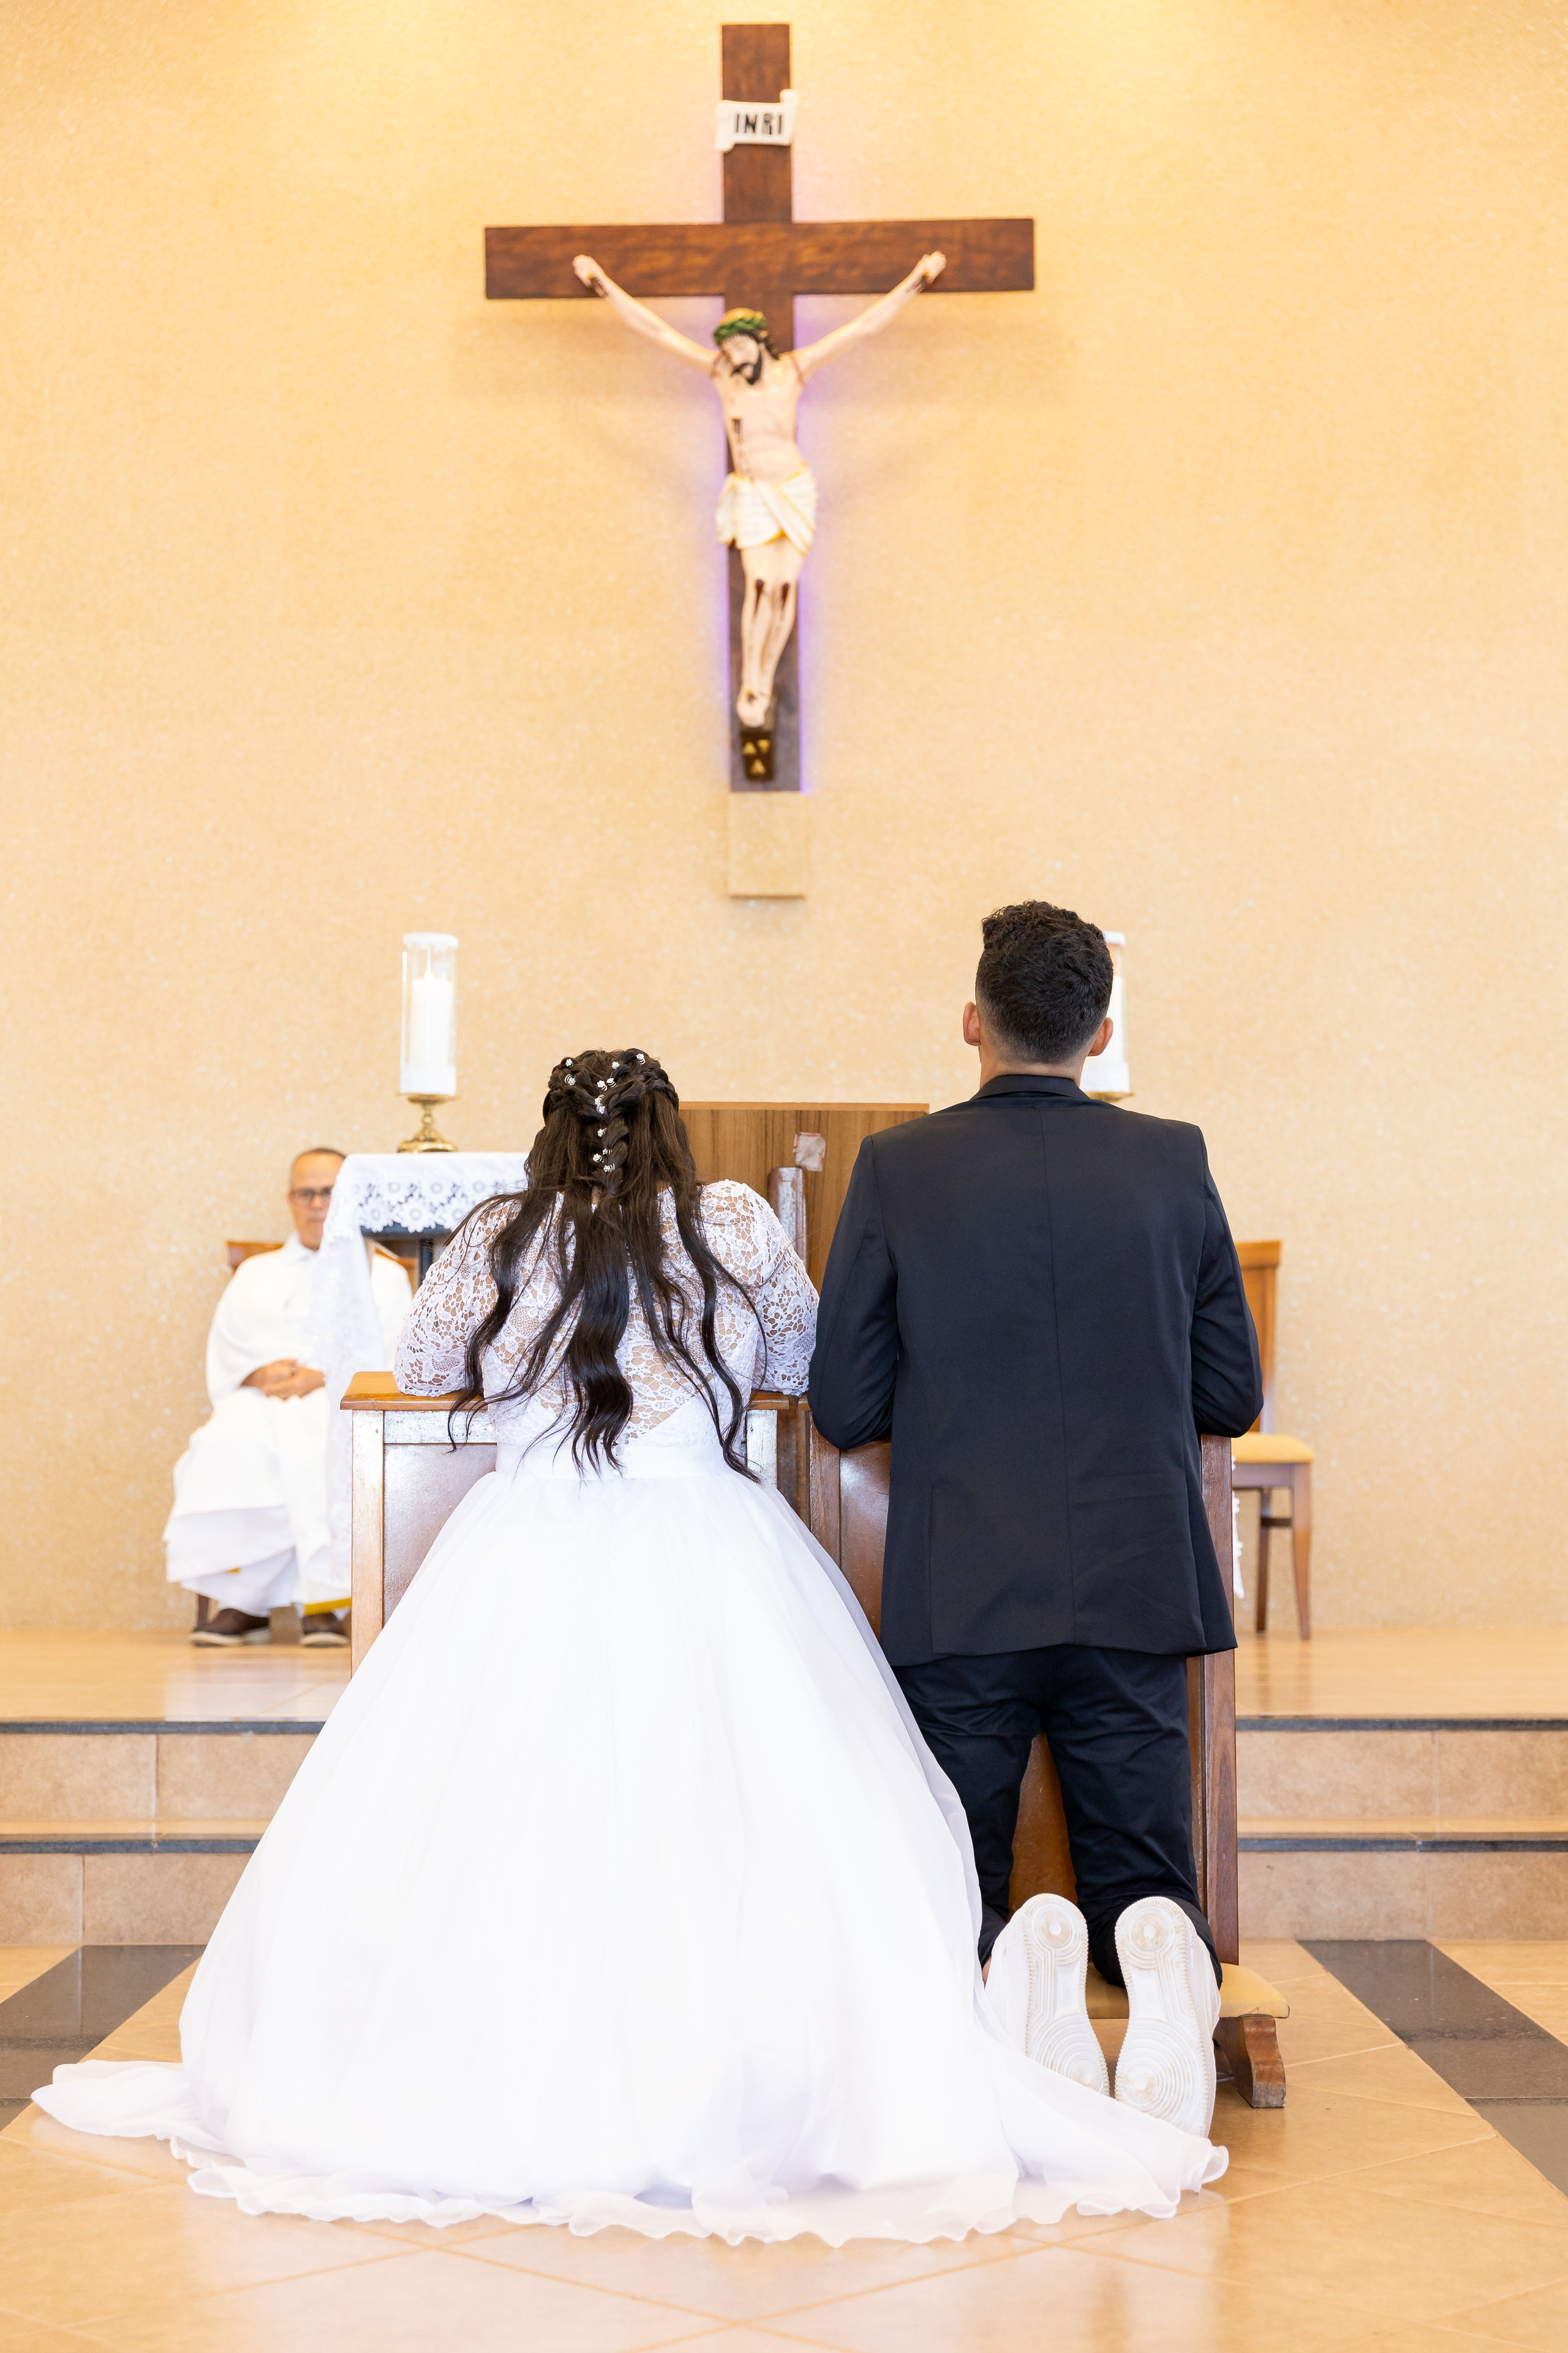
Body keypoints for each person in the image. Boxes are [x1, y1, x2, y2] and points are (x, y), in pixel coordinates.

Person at [36, 1049, 1223, 2242]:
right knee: (730, 1813)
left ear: (548, 1132)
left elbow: (422, 1367)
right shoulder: (730, 1224)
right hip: (706, 1537)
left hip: (526, 1545)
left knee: (499, 1817)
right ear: (671, 1130)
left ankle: (505, 2078)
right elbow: (802, 1366)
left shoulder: (503, 1228)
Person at [809, 904, 1263, 2137]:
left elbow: (842, 1402)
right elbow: (1230, 1389)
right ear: (1100, 1032)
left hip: (963, 1580)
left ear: (972, 1021)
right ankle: (1156, 1973)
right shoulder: (1171, 1157)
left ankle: (1014, 1996)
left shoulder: (900, 1167)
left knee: (953, 1858)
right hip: (1132, 1573)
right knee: (1140, 1857)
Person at [570, 252, 945, 727]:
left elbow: (863, 329)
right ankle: (752, 678)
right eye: (727, 349)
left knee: (785, 589)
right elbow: (656, 331)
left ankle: (767, 677)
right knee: (760, 584)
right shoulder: (721, 376)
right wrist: (602, 283)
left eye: (740, 346)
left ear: (758, 339)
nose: (734, 356)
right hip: (750, 491)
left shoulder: (794, 370)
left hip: (792, 488)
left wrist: (916, 280)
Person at [166, 1149, 412, 1648]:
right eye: (307, 1192)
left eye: (330, 1192)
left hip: (338, 1399)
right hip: (261, 1398)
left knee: (316, 1446)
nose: (318, 1203)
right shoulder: (256, 1271)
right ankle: (244, 1601)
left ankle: (323, 1601)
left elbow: (392, 1347)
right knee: (224, 1443)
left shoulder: (381, 1272)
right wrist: (259, 1371)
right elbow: (228, 1342)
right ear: (290, 1200)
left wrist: (321, 1376)